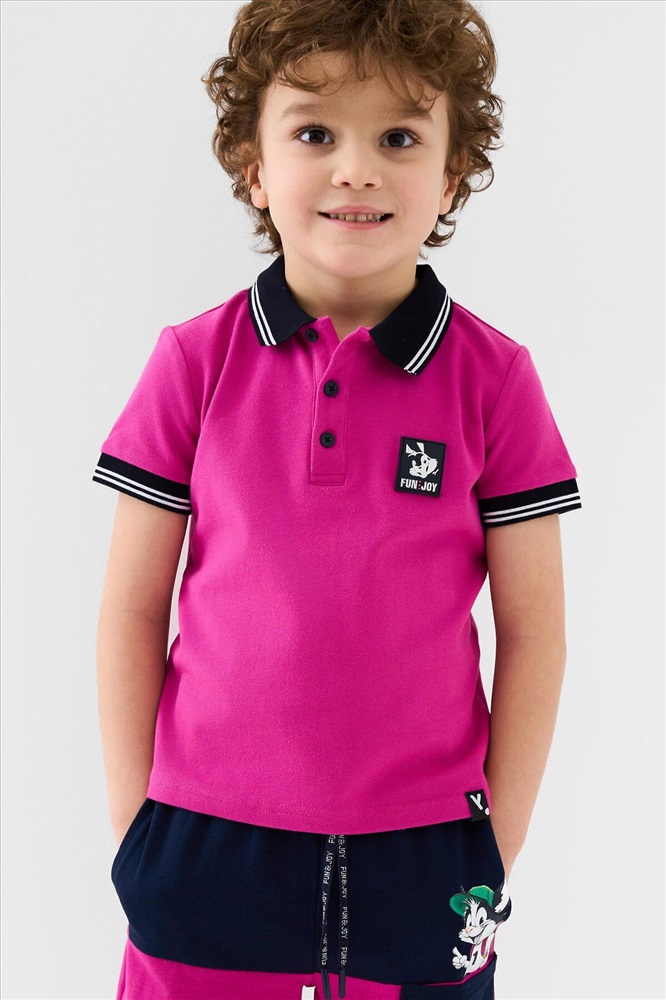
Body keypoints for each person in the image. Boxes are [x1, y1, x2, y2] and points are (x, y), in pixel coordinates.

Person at [93, 2, 582, 998]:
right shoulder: (192, 363)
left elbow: (535, 631)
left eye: (398, 137)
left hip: (426, 855)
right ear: (254, 165)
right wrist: (136, 827)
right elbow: (132, 610)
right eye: (315, 132)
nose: (356, 168)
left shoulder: (495, 381)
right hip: (203, 844)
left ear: (452, 171)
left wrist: (495, 844)